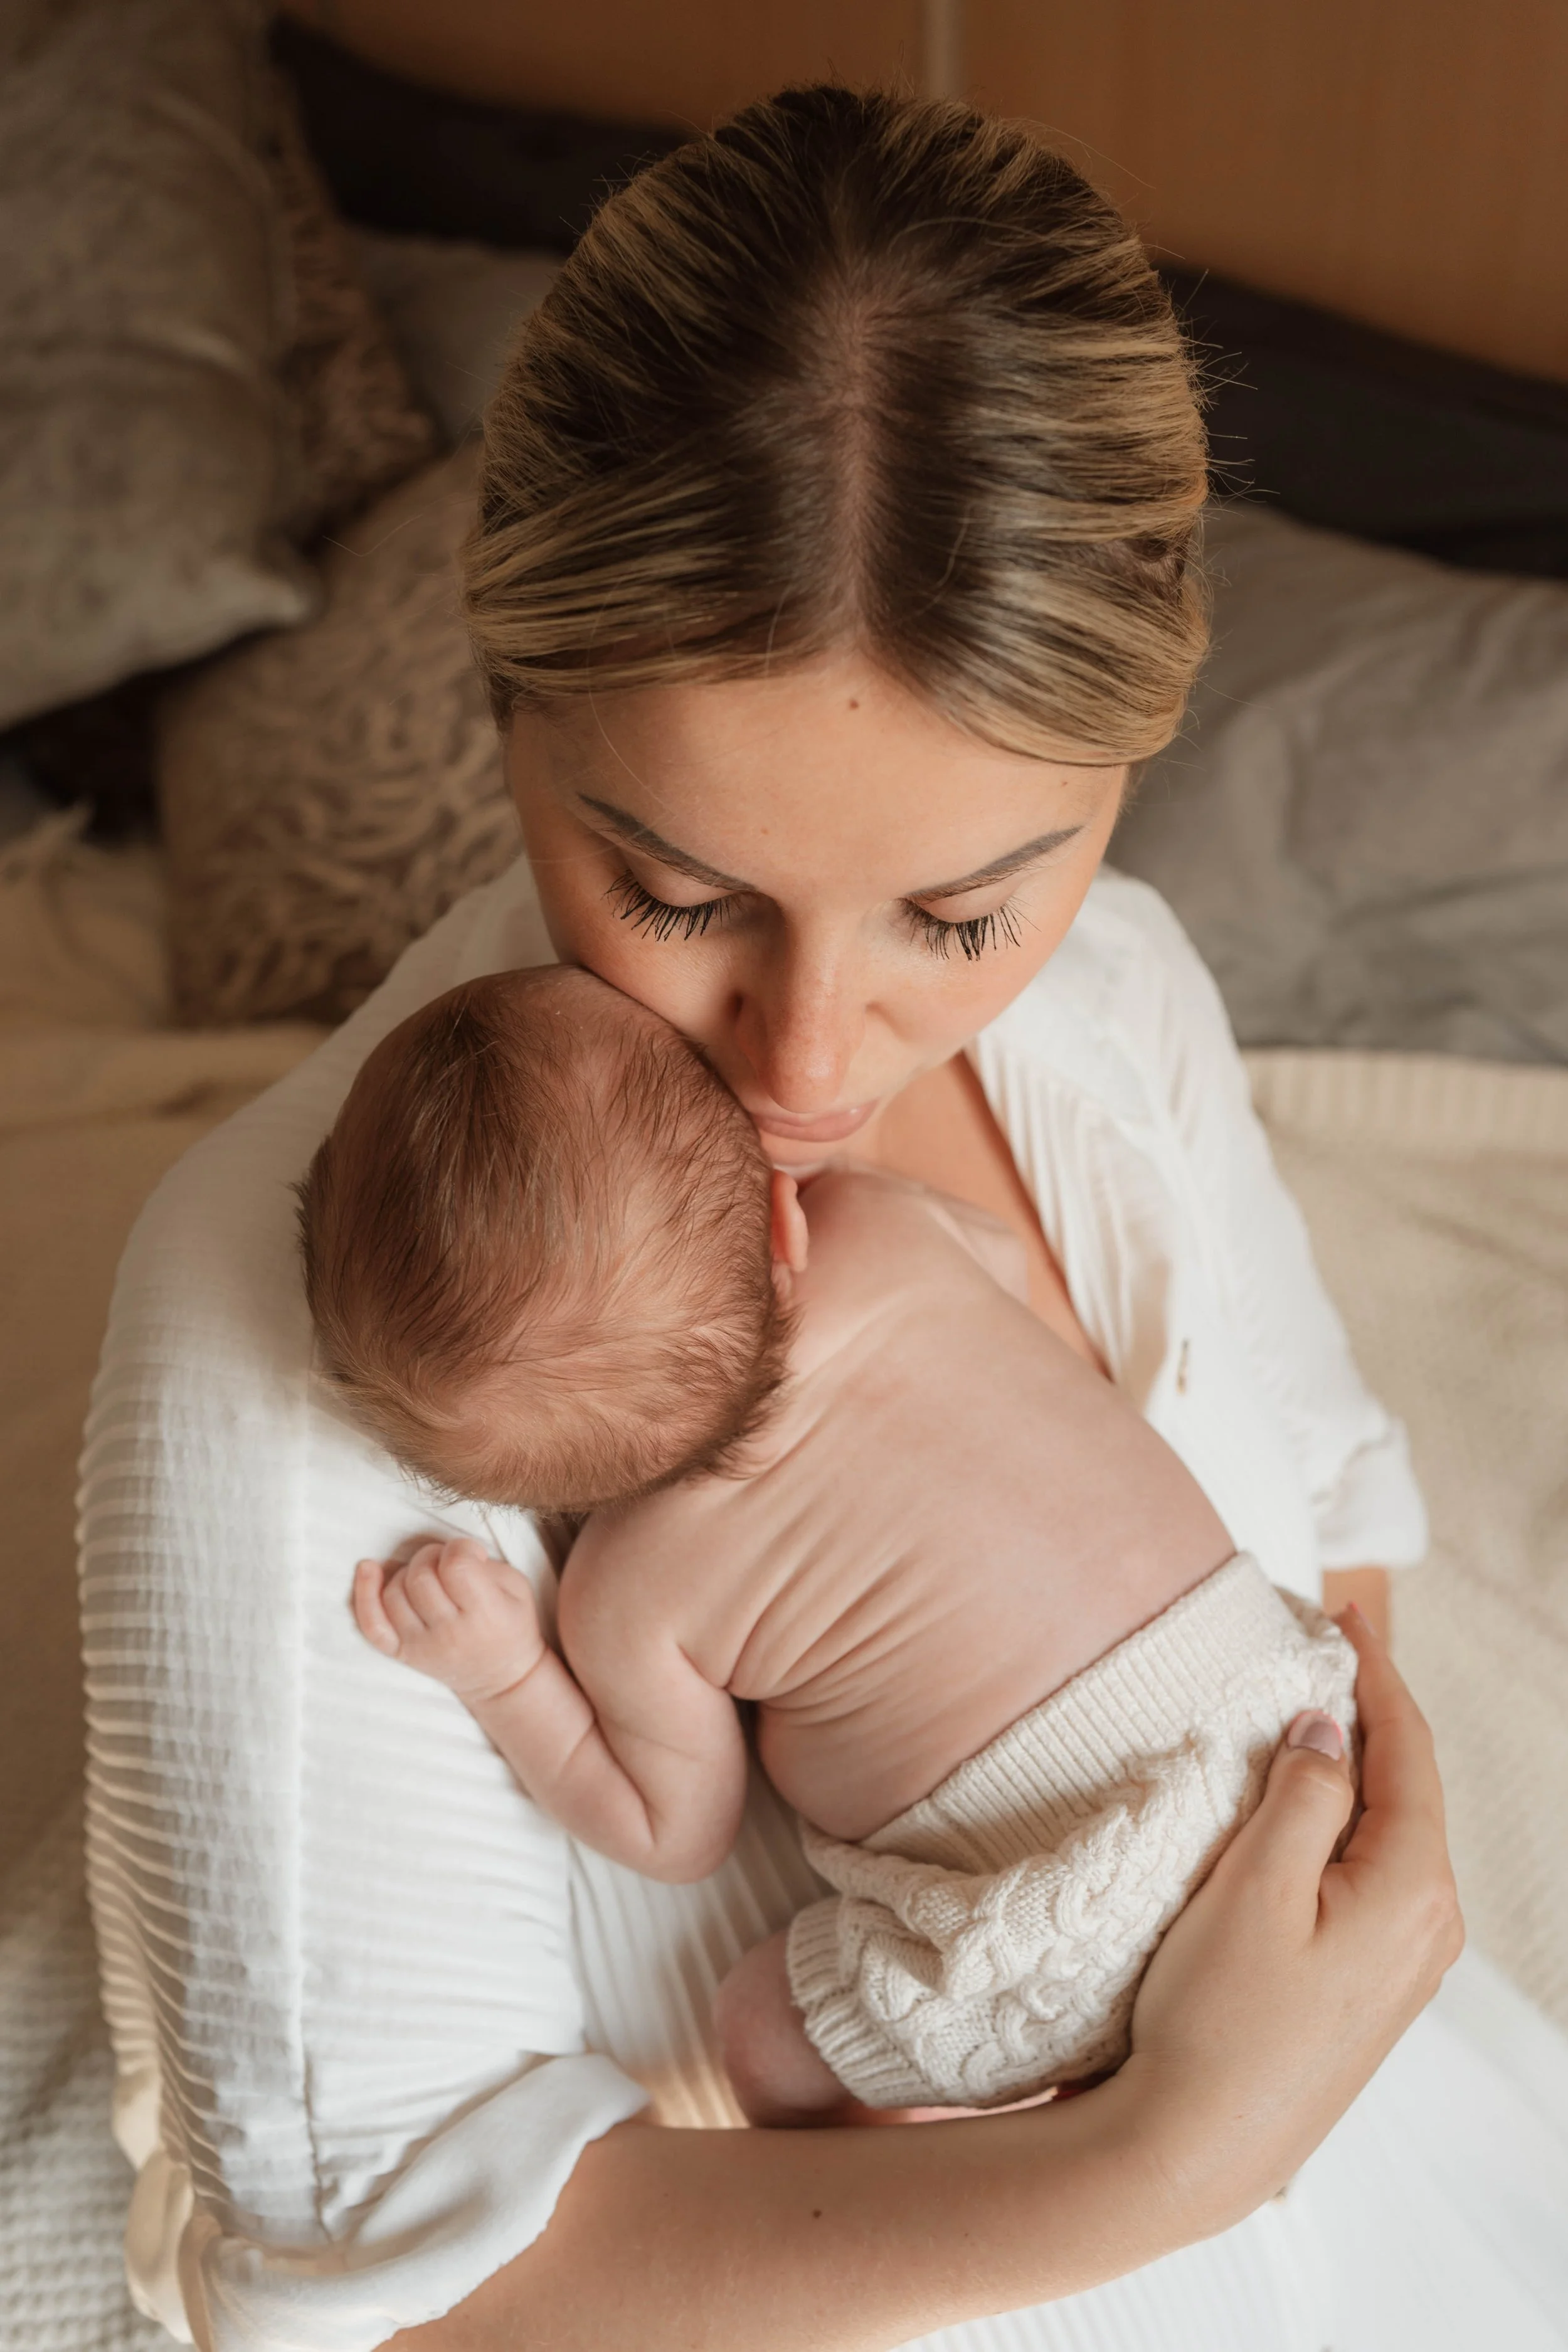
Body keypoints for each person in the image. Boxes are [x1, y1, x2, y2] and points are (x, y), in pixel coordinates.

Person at [80, 83, 1567, 2352]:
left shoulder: (1131, 999)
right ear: (505, 703)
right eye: (677, 893)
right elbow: (393, 2300)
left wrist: (1370, 1843)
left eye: (965, 915)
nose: (804, 1064)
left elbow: (1328, 1503)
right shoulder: (276, 1310)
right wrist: (1170, 2158)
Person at [298, 961, 1356, 2123]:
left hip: (1061, 1927)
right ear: (776, 1213)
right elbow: (999, 1267)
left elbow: (674, 1831)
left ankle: (911, 2154)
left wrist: (507, 1673)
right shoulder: (882, 1227)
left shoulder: (629, 1594)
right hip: (1284, 1722)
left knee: (756, 2026)